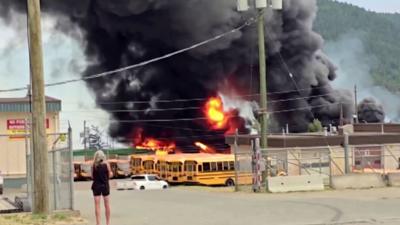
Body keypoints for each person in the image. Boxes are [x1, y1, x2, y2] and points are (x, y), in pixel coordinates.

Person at [91, 150, 113, 225]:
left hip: (96, 186)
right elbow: (110, 175)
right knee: (107, 205)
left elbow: (92, 176)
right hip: (105, 186)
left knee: (97, 206)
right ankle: (108, 223)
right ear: (103, 156)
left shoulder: (93, 165)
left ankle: (98, 223)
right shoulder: (107, 164)